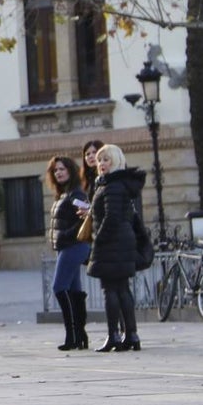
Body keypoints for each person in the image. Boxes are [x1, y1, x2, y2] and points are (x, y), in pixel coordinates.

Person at [87, 143, 146, 352]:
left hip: (112, 242)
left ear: (116, 161)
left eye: (106, 159)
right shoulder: (119, 184)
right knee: (122, 288)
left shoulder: (111, 186)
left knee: (110, 289)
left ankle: (114, 335)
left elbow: (111, 217)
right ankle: (131, 335)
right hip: (122, 241)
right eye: (99, 160)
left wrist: (98, 239)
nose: (101, 164)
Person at [45, 156, 90, 351]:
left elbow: (85, 220)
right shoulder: (62, 194)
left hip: (74, 245)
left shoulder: (76, 194)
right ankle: (80, 336)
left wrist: (64, 235)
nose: (58, 173)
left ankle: (72, 336)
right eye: (55, 170)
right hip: (65, 246)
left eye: (62, 169)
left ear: (71, 171)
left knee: (59, 287)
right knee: (74, 291)